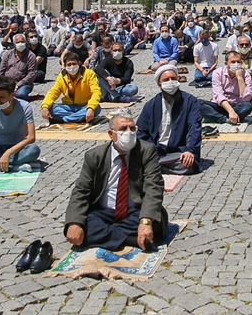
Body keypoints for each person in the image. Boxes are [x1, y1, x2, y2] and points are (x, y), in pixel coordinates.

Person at [64, 110, 167, 251]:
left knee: (156, 220)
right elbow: (81, 190)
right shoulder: (94, 156)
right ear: (111, 134)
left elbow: (153, 186)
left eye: (132, 128)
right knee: (85, 224)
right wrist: (74, 223)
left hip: (135, 211)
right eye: (123, 129)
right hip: (104, 212)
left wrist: (146, 221)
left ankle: (103, 237)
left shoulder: (147, 151)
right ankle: (130, 239)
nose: (129, 132)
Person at [137, 66, 202, 175]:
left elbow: (194, 128)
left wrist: (189, 151)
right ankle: (153, 164)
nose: (170, 82)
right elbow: (142, 133)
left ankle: (151, 167)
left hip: (179, 151)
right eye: (166, 80)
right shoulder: (151, 105)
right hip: (157, 151)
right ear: (159, 84)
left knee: (187, 165)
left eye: (173, 78)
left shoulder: (190, 101)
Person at [41, 53, 101, 123]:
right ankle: (78, 117)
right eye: (69, 64)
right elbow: (54, 92)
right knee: (51, 108)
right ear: (65, 65)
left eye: (74, 64)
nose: (72, 66)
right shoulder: (62, 75)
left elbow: (96, 92)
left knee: (96, 108)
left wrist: (90, 108)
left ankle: (64, 120)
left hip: (84, 105)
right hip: (68, 106)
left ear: (79, 63)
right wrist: (45, 106)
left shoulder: (89, 74)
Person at [200, 51, 252, 124]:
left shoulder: (246, 75)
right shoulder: (217, 73)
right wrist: (231, 111)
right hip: (220, 104)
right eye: (233, 62)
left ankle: (215, 116)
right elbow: (219, 95)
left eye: (238, 62)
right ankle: (224, 118)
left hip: (236, 105)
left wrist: (240, 78)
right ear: (226, 63)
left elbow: (246, 98)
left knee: (247, 106)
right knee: (196, 103)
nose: (236, 64)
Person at [0, 33, 42, 100]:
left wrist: (17, 85)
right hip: (7, 83)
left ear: (26, 42)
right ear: (14, 44)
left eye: (22, 42)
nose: (20, 44)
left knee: (20, 95)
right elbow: (1, 70)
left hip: (24, 84)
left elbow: (32, 74)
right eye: (18, 42)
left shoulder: (31, 56)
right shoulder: (8, 54)